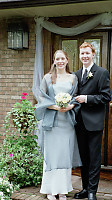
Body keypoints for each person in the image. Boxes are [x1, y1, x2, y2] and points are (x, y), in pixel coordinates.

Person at [35, 50, 82, 200]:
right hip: (52, 123)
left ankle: (62, 190)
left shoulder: (73, 78)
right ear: (54, 61)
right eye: (57, 59)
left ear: (67, 60)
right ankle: (50, 190)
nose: (60, 61)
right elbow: (41, 97)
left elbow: (75, 97)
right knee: (52, 155)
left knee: (64, 155)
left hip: (66, 123)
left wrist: (70, 106)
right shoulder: (48, 78)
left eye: (63, 58)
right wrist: (55, 106)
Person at [74, 42, 111, 200]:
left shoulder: (102, 73)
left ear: (93, 54)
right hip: (79, 123)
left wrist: (87, 98)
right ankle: (84, 188)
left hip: (94, 123)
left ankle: (92, 192)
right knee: (83, 158)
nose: (84, 56)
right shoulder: (76, 74)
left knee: (94, 159)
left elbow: (106, 96)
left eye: (87, 53)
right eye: (82, 54)